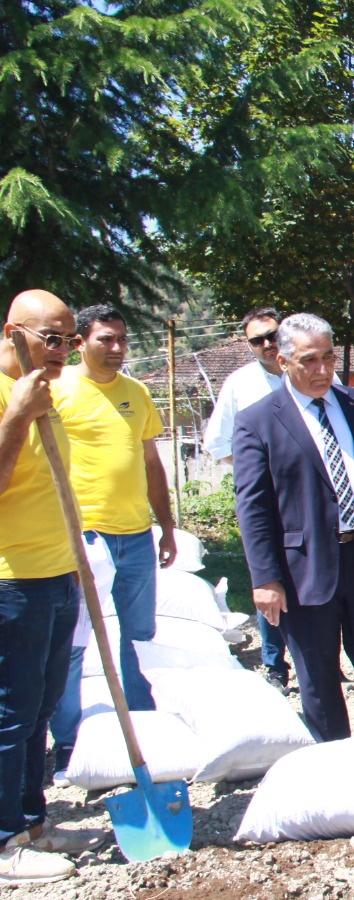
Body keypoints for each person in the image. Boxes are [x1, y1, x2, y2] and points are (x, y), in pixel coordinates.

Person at [232, 314, 354, 741]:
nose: (322, 371)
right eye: (309, 360)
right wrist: (265, 578)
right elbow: (253, 507)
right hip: (304, 568)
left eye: (328, 358)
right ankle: (336, 769)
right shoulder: (258, 421)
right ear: (282, 361)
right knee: (317, 678)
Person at [47, 303, 177, 777]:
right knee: (75, 643)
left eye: (122, 338)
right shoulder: (58, 391)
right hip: (83, 538)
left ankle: (146, 731)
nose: (117, 348)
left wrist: (165, 525)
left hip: (136, 536)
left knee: (140, 636)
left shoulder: (137, 393)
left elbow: (150, 463)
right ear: (79, 342)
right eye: (106, 339)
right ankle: (69, 742)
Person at [1, 290, 103, 885]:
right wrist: (15, 414)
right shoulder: (11, 394)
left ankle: (33, 819)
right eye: (52, 338)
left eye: (69, 338)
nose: (63, 350)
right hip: (12, 581)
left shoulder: (46, 391)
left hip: (57, 573)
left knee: (40, 704)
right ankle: (5, 836)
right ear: (13, 332)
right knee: (11, 712)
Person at [202, 307, 292, 691]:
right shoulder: (240, 385)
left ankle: (321, 660)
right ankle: (275, 664)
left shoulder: (309, 373)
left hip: (310, 497)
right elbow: (216, 442)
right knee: (269, 577)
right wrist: (255, 470)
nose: (268, 345)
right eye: (258, 340)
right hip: (267, 499)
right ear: (248, 345)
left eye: (273, 335)